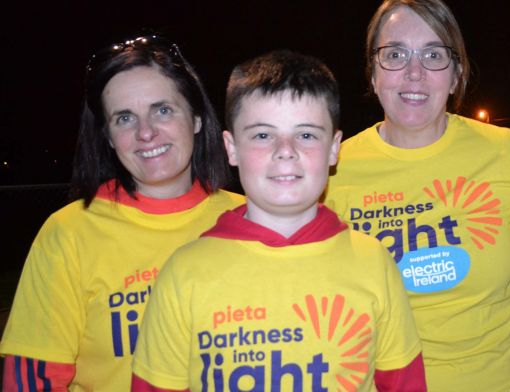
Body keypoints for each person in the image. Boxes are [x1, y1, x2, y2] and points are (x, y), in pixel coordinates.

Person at [131, 50, 426, 391]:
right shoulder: (184, 274)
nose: (285, 150)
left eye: (306, 135)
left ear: (334, 148)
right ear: (231, 148)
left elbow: (405, 383)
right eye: (262, 135)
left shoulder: (374, 263)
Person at [0, 35, 245, 390]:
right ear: (109, 137)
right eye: (125, 118)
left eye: (163, 110)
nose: (145, 132)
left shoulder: (250, 221)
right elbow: (31, 381)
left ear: (195, 117)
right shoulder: (69, 234)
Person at [323, 0, 510, 390]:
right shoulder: (333, 170)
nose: (414, 73)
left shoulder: (508, 154)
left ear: (457, 75)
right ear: (373, 74)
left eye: (433, 55)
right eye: (394, 54)